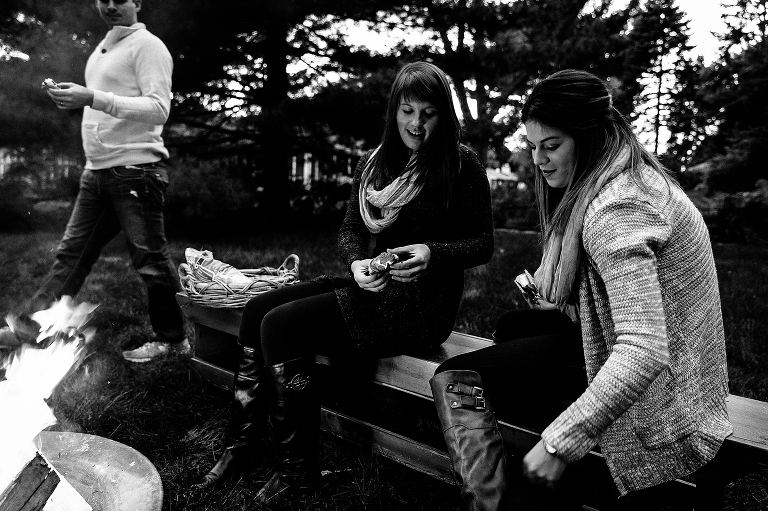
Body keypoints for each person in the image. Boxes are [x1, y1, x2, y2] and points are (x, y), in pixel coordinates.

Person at [190, 61, 494, 504]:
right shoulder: (375, 165)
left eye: (428, 113)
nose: (417, 123)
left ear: (443, 116)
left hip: (422, 306)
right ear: (394, 111)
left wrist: (434, 253)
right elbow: (351, 230)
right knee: (259, 310)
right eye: (408, 111)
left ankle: (299, 475)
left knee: (280, 326)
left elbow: (483, 243)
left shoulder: (460, 165)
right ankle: (241, 446)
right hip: (374, 284)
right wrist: (355, 264)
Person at [429, 69, 732, 511]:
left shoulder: (618, 207)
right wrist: (561, 305)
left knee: (455, 377)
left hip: (669, 392)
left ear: (590, 137)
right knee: (514, 328)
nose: (538, 160)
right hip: (686, 368)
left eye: (551, 147)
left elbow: (645, 348)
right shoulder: (627, 176)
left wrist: (559, 444)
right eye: (533, 147)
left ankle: (493, 504)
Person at [32, 0, 187, 362]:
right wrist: (77, 98)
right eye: (104, 0)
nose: (111, 6)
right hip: (97, 170)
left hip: (135, 170)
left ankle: (173, 340)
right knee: (71, 255)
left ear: (137, 2)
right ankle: (35, 326)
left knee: (150, 261)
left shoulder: (148, 46)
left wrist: (92, 97)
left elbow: (159, 108)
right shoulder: (105, 47)